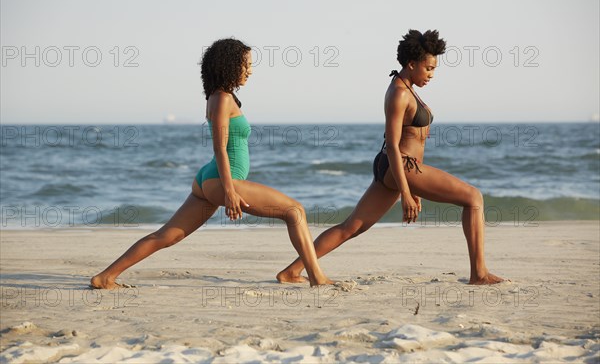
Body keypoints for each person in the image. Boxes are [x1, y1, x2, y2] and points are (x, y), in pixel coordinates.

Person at [91, 38, 332, 289]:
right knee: (295, 212)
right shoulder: (221, 98)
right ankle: (315, 277)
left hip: (209, 179)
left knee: (168, 235)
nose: (249, 70)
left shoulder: (222, 97)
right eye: (245, 65)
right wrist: (229, 191)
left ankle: (105, 277)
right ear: (228, 65)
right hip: (222, 180)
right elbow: (219, 147)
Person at [276, 30, 503, 285]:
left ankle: (291, 271)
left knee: (352, 227)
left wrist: (414, 187)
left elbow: (412, 139)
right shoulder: (399, 93)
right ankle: (479, 274)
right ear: (411, 64)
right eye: (428, 68)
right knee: (473, 198)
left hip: (401, 168)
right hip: (400, 165)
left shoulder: (407, 87)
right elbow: (394, 145)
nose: (431, 74)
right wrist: (406, 192)